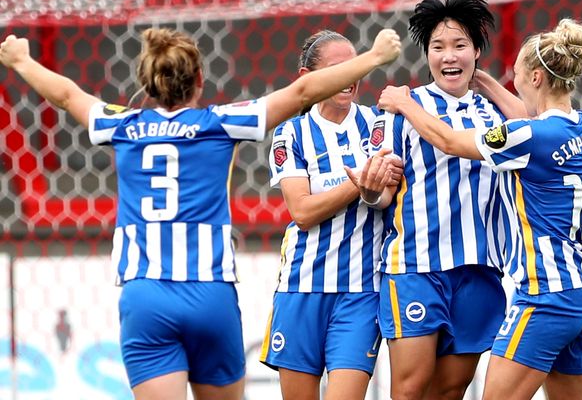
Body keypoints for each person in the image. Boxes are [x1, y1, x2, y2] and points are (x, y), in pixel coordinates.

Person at [0, 27, 400, 400]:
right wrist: (374, 56)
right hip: (210, 291)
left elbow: (68, 95)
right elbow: (301, 93)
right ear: (199, 82)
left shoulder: (123, 124)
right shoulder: (220, 123)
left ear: (148, 84)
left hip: (145, 293)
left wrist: (21, 61)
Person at [378, 18, 582, 399]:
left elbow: (449, 141)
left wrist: (403, 102)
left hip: (546, 293)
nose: (510, 84)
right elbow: (561, 157)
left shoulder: (526, 135)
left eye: (515, 75)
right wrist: (483, 80)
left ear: (535, 78)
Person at [355, 0, 530, 400]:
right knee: (410, 388)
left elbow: (538, 134)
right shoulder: (400, 109)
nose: (448, 56)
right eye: (438, 46)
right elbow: (381, 196)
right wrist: (369, 192)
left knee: (450, 390)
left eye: (460, 45)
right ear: (426, 53)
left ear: (476, 50)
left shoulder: (496, 114)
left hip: (480, 269)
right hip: (417, 267)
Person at [259, 30, 402, 400]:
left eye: (354, 66)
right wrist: (359, 183)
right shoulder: (290, 133)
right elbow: (303, 211)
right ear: (309, 78)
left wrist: (371, 190)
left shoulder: (378, 124)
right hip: (301, 287)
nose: (349, 77)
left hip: (361, 290)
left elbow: (385, 196)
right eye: (338, 69)